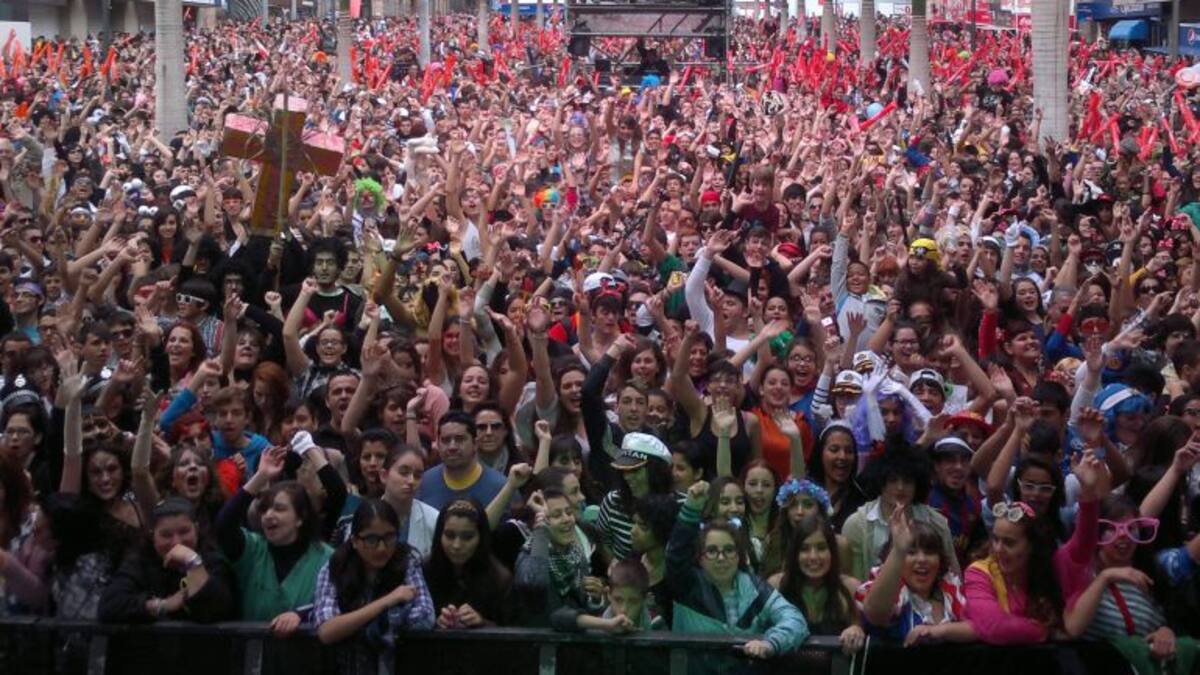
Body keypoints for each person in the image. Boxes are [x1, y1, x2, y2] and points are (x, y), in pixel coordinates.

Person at [668, 480, 809, 671]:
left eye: (728, 550)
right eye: (712, 551)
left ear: (738, 555)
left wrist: (771, 643)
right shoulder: (686, 584)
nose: (721, 558)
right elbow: (676, 555)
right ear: (700, 558)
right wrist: (691, 508)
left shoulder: (755, 588)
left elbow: (795, 620)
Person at [215, 446, 333, 634]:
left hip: (305, 650)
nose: (268, 515)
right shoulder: (253, 549)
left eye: (279, 509)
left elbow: (335, 605)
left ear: (300, 517)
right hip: (252, 649)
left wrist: (301, 615)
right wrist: (261, 476)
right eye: (264, 509)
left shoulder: (325, 557)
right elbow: (224, 525)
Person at [314, 499, 434, 673]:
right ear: (354, 541)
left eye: (389, 537)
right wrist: (387, 602)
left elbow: (424, 617)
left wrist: (354, 623)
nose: (382, 548)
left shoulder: (407, 561)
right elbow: (327, 631)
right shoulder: (336, 567)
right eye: (371, 540)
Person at [98, 497, 235, 626]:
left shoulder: (214, 561)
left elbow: (214, 611)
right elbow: (109, 606)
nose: (176, 542)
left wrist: (193, 562)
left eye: (184, 532)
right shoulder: (139, 561)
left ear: (197, 530)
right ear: (153, 536)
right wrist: (163, 605)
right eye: (166, 535)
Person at [770, 514, 865, 654]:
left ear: (832, 551)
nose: (813, 557)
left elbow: (866, 630)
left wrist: (857, 630)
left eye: (821, 548)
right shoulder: (776, 585)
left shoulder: (851, 588)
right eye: (804, 549)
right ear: (795, 554)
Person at [425, 498, 512, 628]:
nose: (457, 545)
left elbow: (513, 632)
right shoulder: (424, 571)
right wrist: (433, 625)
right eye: (449, 535)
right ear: (439, 535)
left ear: (481, 537)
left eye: (467, 537)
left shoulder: (500, 579)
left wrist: (482, 624)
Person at [416, 411, 507, 511]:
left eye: (459, 439)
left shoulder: (501, 487)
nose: (452, 447)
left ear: (475, 444)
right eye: (446, 440)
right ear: (438, 444)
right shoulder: (423, 484)